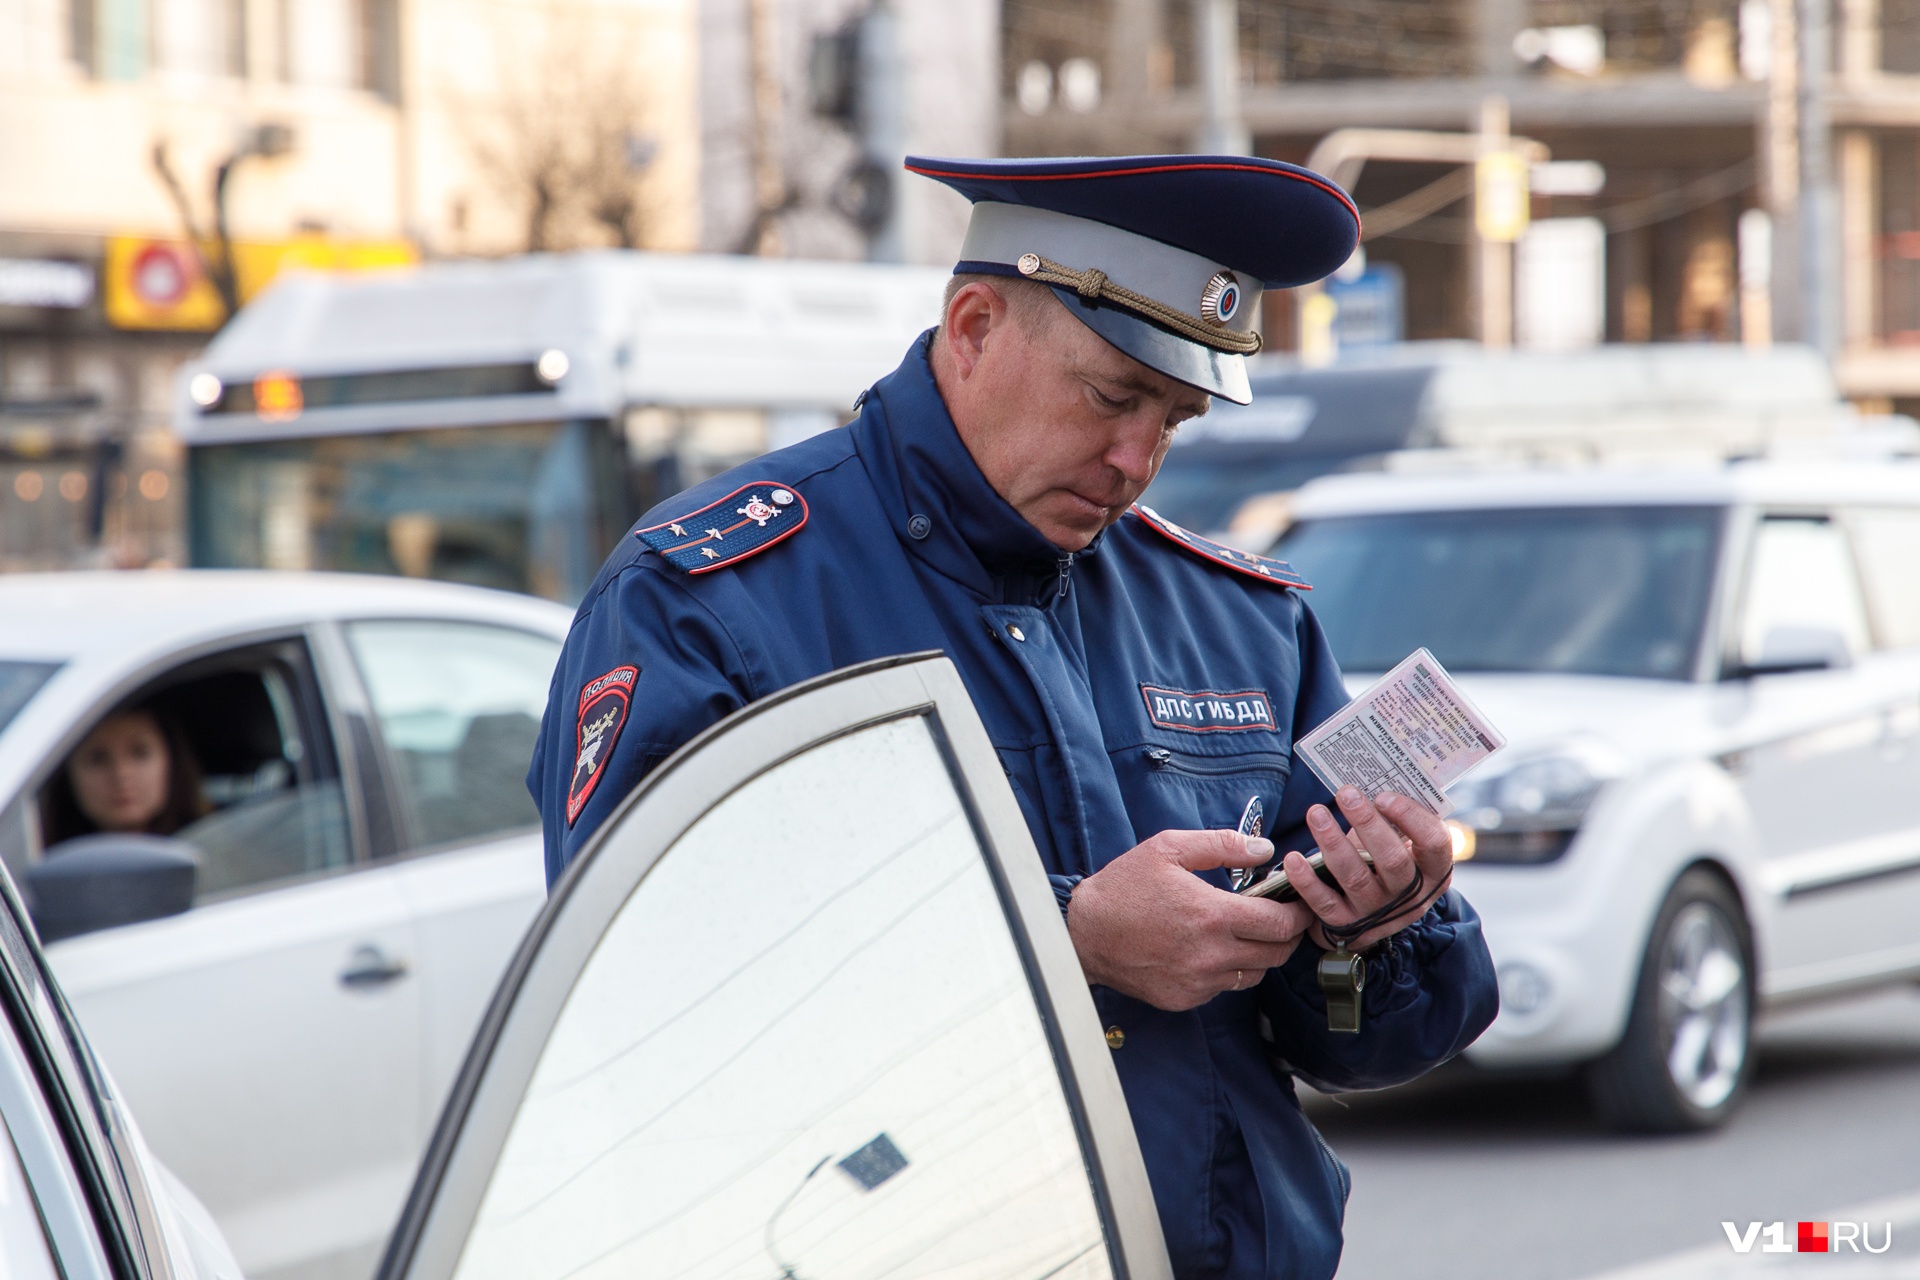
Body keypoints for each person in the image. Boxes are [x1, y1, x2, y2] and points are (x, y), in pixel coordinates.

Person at [530, 154, 1499, 1280]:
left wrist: (1372, 923)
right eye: (1111, 396)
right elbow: (640, 974)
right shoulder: (708, 596)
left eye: (1175, 420)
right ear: (976, 325)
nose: (1138, 461)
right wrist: (1063, 939)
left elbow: (1370, 1044)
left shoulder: (1239, 620)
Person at [42, 704, 208, 848]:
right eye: (98, 759)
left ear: (171, 761)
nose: (121, 774)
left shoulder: (217, 853)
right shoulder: (30, 865)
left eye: (139, 753)